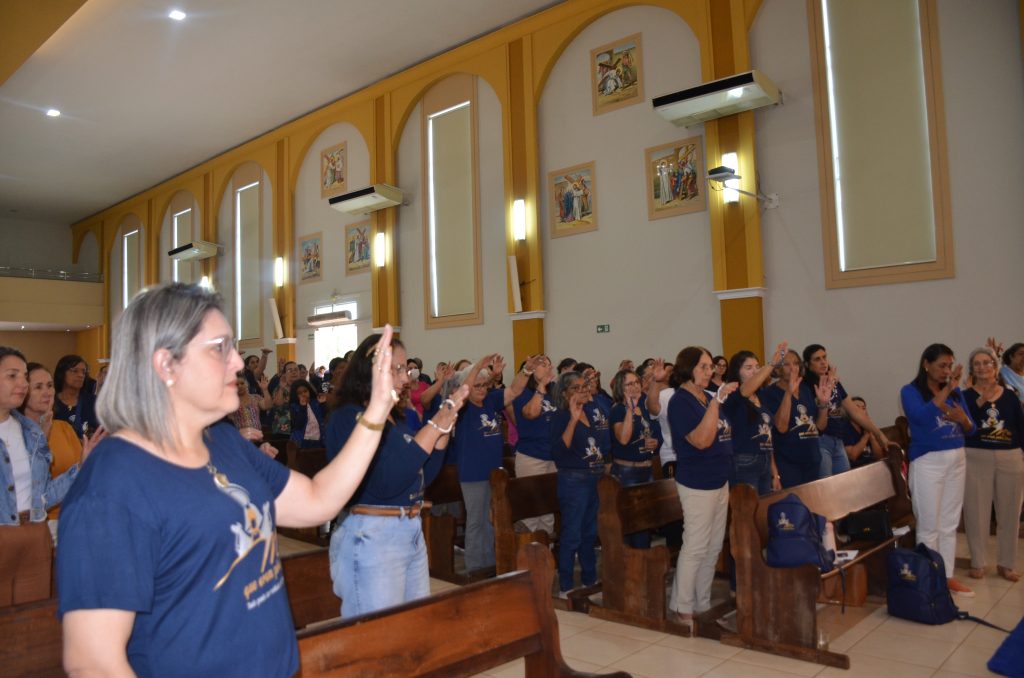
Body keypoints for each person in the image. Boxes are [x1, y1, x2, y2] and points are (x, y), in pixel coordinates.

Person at [56, 283, 397, 676]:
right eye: (220, 347)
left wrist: (377, 407)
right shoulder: (113, 487)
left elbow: (319, 499)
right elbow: (93, 662)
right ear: (166, 364)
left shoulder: (222, 441)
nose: (237, 363)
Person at [327, 333, 468, 618]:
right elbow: (386, 481)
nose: (406, 378)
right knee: (377, 640)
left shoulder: (397, 419)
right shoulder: (350, 417)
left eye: (407, 369)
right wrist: (435, 424)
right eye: (399, 368)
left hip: (409, 529)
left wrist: (441, 431)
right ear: (372, 369)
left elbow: (421, 476)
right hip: (373, 534)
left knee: (411, 629)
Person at [0, 348, 85, 606]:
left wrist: (81, 467)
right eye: (12, 376)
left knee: (33, 622)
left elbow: (44, 494)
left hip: (36, 532)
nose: (22, 384)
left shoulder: (30, 432)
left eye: (24, 376)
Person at [666, 347, 738, 624]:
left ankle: (702, 602)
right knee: (695, 545)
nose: (711, 372)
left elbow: (724, 433)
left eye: (711, 367)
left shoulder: (707, 397)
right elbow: (701, 440)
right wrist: (715, 403)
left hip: (720, 479)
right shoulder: (680, 401)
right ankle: (683, 607)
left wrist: (715, 401)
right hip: (697, 481)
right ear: (688, 368)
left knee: (713, 547)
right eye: (704, 367)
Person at [899, 343, 976, 597]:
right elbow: (920, 417)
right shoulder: (910, 391)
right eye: (942, 365)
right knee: (929, 524)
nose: (947, 371)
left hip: (956, 459)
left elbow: (971, 427)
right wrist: (946, 391)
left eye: (949, 365)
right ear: (926, 365)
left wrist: (962, 419)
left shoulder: (955, 393)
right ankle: (929, 578)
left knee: (949, 523)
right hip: (928, 462)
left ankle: (947, 576)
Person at [451, 354, 536, 572]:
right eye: (477, 385)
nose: (481, 389)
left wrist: (525, 371)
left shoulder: (489, 400)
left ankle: (489, 563)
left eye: (484, 385)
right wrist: (479, 366)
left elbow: (514, 391)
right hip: (473, 474)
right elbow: (466, 388)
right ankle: (475, 568)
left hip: (494, 474)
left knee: (491, 520)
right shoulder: (463, 409)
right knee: (476, 522)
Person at [962, 347, 1024, 583]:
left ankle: (1007, 564)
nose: (982, 367)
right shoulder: (965, 397)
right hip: (976, 456)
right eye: (976, 363)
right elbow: (965, 424)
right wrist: (982, 398)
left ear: (995, 367)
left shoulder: (1010, 396)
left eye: (987, 362)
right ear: (972, 369)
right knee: (976, 511)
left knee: (1010, 513)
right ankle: (979, 562)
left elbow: (1020, 425)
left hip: (1010, 457)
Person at [19, 362, 106, 518]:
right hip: (41, 522)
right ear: (21, 393)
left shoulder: (63, 428)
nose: (47, 392)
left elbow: (85, 476)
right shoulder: (14, 435)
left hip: (77, 515)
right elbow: (34, 496)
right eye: (38, 387)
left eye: (49, 385)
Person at [550, 371, 608, 595]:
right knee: (572, 533)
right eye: (577, 388)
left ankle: (589, 579)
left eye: (585, 386)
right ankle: (565, 585)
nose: (583, 390)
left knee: (589, 533)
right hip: (573, 479)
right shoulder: (560, 416)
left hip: (594, 477)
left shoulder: (591, 412)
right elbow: (558, 451)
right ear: (565, 393)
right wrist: (573, 420)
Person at [803, 344, 891, 478]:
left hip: (839, 441)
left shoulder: (834, 383)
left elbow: (854, 411)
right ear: (808, 365)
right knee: (825, 489)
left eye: (824, 357)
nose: (823, 362)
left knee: (845, 487)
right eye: (817, 359)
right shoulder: (806, 386)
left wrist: (879, 435)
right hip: (820, 441)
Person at [723, 344, 787, 495]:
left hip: (764, 459)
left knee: (762, 512)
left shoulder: (761, 396)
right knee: (747, 512)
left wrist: (774, 472)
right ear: (737, 372)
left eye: (757, 366)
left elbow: (768, 437)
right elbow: (744, 390)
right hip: (744, 460)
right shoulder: (732, 395)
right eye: (748, 367)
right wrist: (771, 364)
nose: (755, 371)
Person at [761, 350, 831, 488]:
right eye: (787, 364)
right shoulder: (769, 393)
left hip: (812, 459)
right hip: (788, 462)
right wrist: (789, 393)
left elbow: (820, 427)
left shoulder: (805, 389)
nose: (793, 368)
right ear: (778, 369)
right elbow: (780, 427)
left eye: (796, 363)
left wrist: (823, 404)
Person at [609, 368, 660, 547]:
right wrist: (630, 411)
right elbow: (623, 439)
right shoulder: (618, 410)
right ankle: (631, 565)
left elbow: (654, 431)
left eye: (636, 383)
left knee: (644, 522)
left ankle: (643, 562)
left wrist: (654, 443)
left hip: (646, 468)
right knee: (631, 522)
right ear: (620, 388)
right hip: (627, 471)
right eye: (629, 384)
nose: (634, 387)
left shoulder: (644, 407)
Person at [512, 355, 557, 535]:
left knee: (547, 510)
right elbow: (531, 413)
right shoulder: (523, 392)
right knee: (531, 511)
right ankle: (527, 554)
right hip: (532, 456)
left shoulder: (554, 392)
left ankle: (545, 555)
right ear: (530, 370)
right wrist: (541, 388)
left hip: (553, 456)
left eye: (549, 364)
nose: (548, 367)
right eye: (543, 365)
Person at [53, 354, 99, 437]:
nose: (81, 375)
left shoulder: (94, 402)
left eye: (84, 372)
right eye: (75, 371)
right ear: (62, 373)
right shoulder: (51, 403)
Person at [839, 397, 887, 467]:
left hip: (872, 467)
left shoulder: (867, 428)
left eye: (863, 408)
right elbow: (853, 456)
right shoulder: (844, 429)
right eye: (857, 408)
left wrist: (872, 438)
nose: (861, 411)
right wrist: (866, 437)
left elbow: (879, 457)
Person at [228, 370, 271, 441]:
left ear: (247, 384)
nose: (240, 386)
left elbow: (268, 406)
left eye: (242, 383)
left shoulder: (256, 397)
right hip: (240, 438)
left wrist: (265, 390)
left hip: (257, 437)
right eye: (236, 384)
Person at [289, 379, 326, 448]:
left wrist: (323, 404)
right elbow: (298, 425)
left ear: (309, 390)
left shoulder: (315, 402)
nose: (303, 394)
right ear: (295, 395)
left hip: (318, 438)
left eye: (305, 391)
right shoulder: (294, 406)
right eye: (299, 393)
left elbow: (323, 416)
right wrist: (302, 408)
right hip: (302, 440)